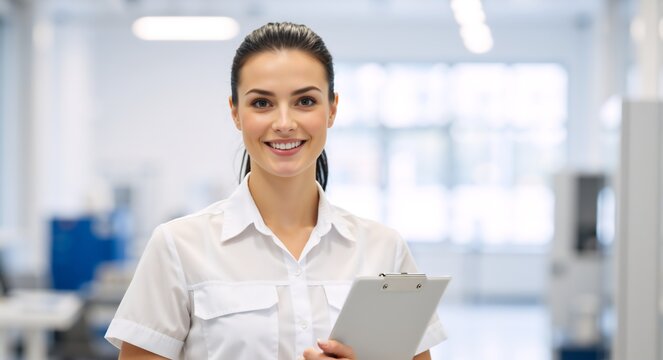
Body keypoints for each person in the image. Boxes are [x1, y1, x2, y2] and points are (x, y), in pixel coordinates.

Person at [105, 22, 446, 360]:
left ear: (332, 109)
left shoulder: (383, 250)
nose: (284, 122)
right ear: (235, 112)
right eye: (262, 104)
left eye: (305, 101)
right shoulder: (178, 247)